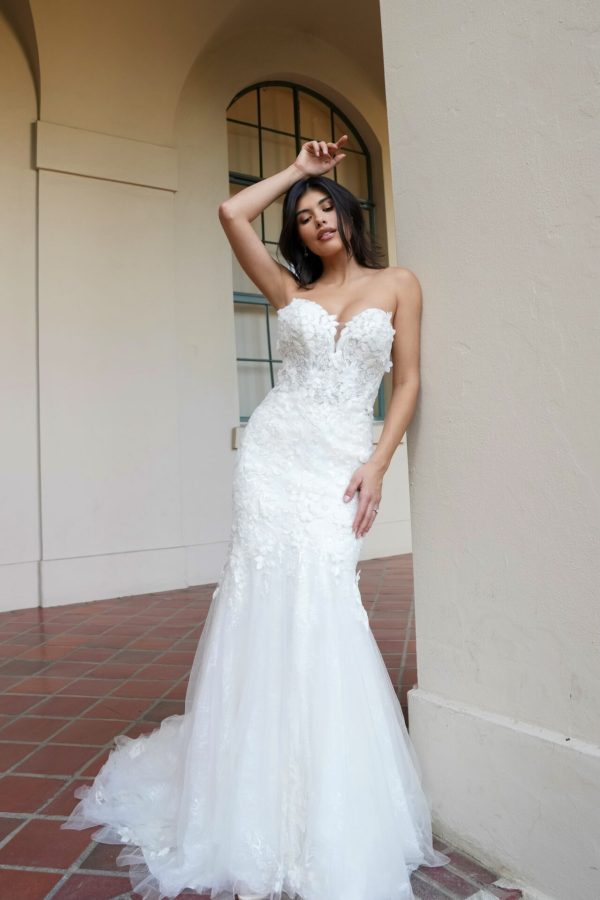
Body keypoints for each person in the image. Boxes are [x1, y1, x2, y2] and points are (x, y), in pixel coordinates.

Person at [62, 135, 451, 900]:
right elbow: (229, 211)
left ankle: (325, 794)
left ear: (349, 213)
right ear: (297, 233)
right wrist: (300, 169)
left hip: (339, 462)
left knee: (326, 602)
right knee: (262, 601)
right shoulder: (288, 293)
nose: (315, 220)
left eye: (325, 206)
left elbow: (406, 384)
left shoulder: (399, 282)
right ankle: (247, 790)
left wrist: (377, 463)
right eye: (303, 215)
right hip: (273, 460)